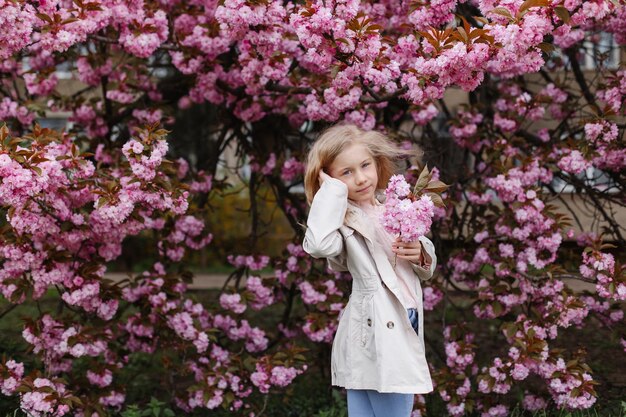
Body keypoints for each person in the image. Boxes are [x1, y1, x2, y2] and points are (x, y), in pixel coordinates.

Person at [302, 124, 437, 417]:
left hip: (403, 316)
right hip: (372, 325)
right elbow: (318, 245)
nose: (360, 178)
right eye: (345, 173)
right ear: (329, 180)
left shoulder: (396, 207)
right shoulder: (342, 221)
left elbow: (425, 261)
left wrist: (421, 254)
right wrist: (334, 193)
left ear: (377, 163)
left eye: (365, 165)